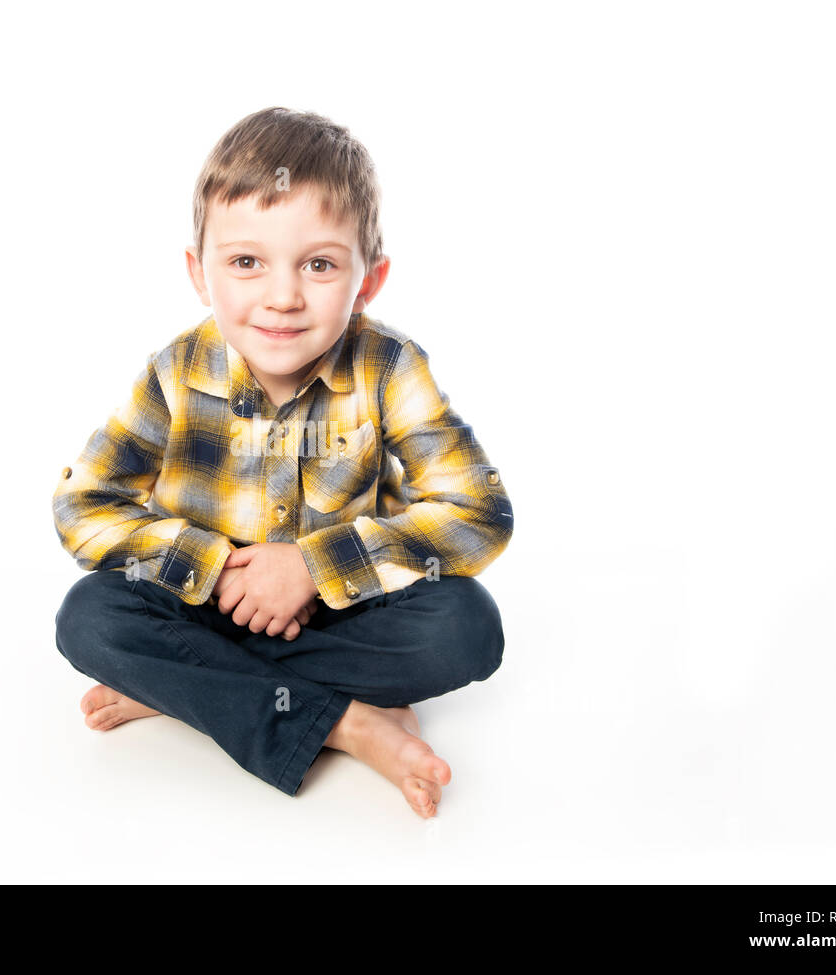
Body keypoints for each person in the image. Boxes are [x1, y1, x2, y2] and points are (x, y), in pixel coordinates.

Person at [52, 106, 513, 818]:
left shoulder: (389, 368)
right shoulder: (177, 371)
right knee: (90, 618)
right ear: (199, 274)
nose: (283, 296)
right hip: (203, 607)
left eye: (321, 264)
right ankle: (349, 722)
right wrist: (211, 564)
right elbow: (85, 503)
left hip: (337, 612)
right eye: (245, 262)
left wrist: (310, 567)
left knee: (467, 626)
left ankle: (187, 692)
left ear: (370, 279)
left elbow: (479, 512)